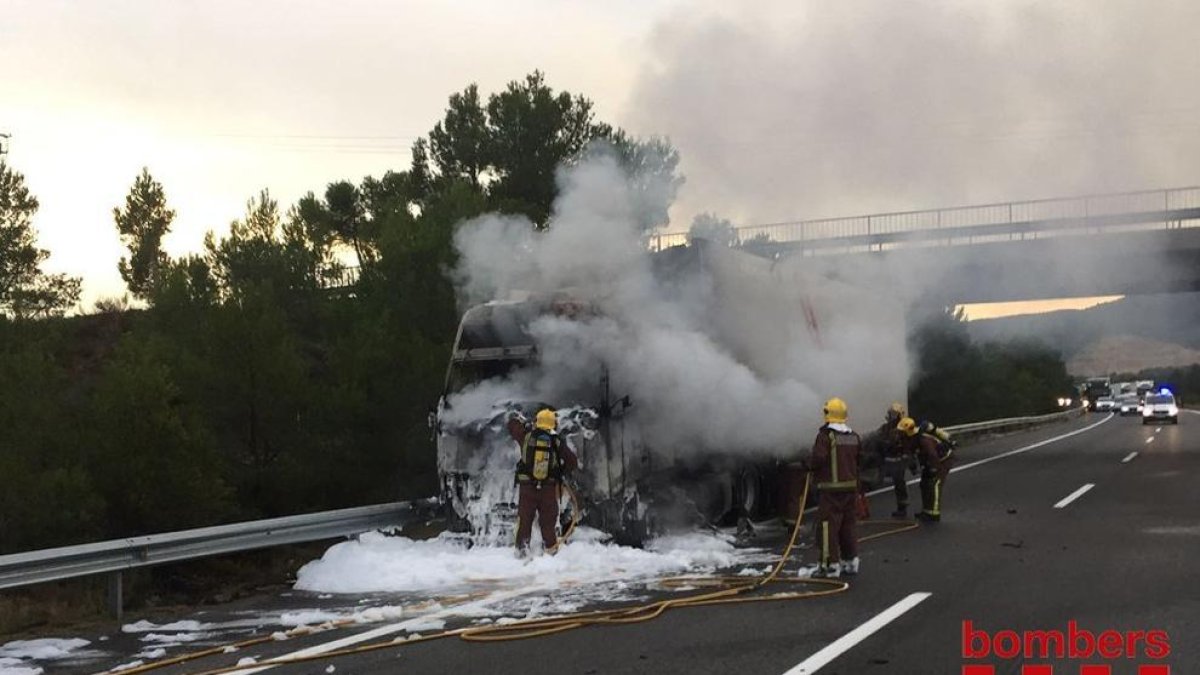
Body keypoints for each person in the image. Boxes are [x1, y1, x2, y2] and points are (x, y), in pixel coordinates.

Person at [803, 397, 863, 579]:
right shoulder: (854, 436)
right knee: (848, 526)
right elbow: (860, 460)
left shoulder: (825, 436)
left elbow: (818, 459)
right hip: (850, 489)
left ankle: (830, 565)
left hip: (831, 491)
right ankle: (850, 561)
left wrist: (806, 464)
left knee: (827, 527)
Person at [507, 407, 579, 557]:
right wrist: (560, 472)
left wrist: (519, 422)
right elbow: (572, 461)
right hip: (548, 489)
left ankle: (521, 553)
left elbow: (512, 427)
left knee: (525, 522)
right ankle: (551, 554)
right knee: (547, 524)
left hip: (527, 489)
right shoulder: (556, 441)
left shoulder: (525, 436)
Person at [897, 416, 955, 522]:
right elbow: (910, 454)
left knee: (935, 483)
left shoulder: (924, 440)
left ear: (907, 432)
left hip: (943, 460)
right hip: (929, 462)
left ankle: (934, 514)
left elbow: (933, 455)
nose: (900, 434)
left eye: (901, 432)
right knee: (924, 484)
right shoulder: (909, 439)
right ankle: (926, 511)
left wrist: (934, 469)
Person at [877, 402, 913, 518]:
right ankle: (901, 507)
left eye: (893, 414)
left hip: (899, 461)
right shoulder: (885, 428)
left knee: (899, 483)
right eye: (890, 414)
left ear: (899, 415)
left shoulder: (903, 428)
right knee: (894, 482)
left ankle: (902, 508)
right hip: (888, 460)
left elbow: (908, 445)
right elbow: (878, 437)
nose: (890, 416)